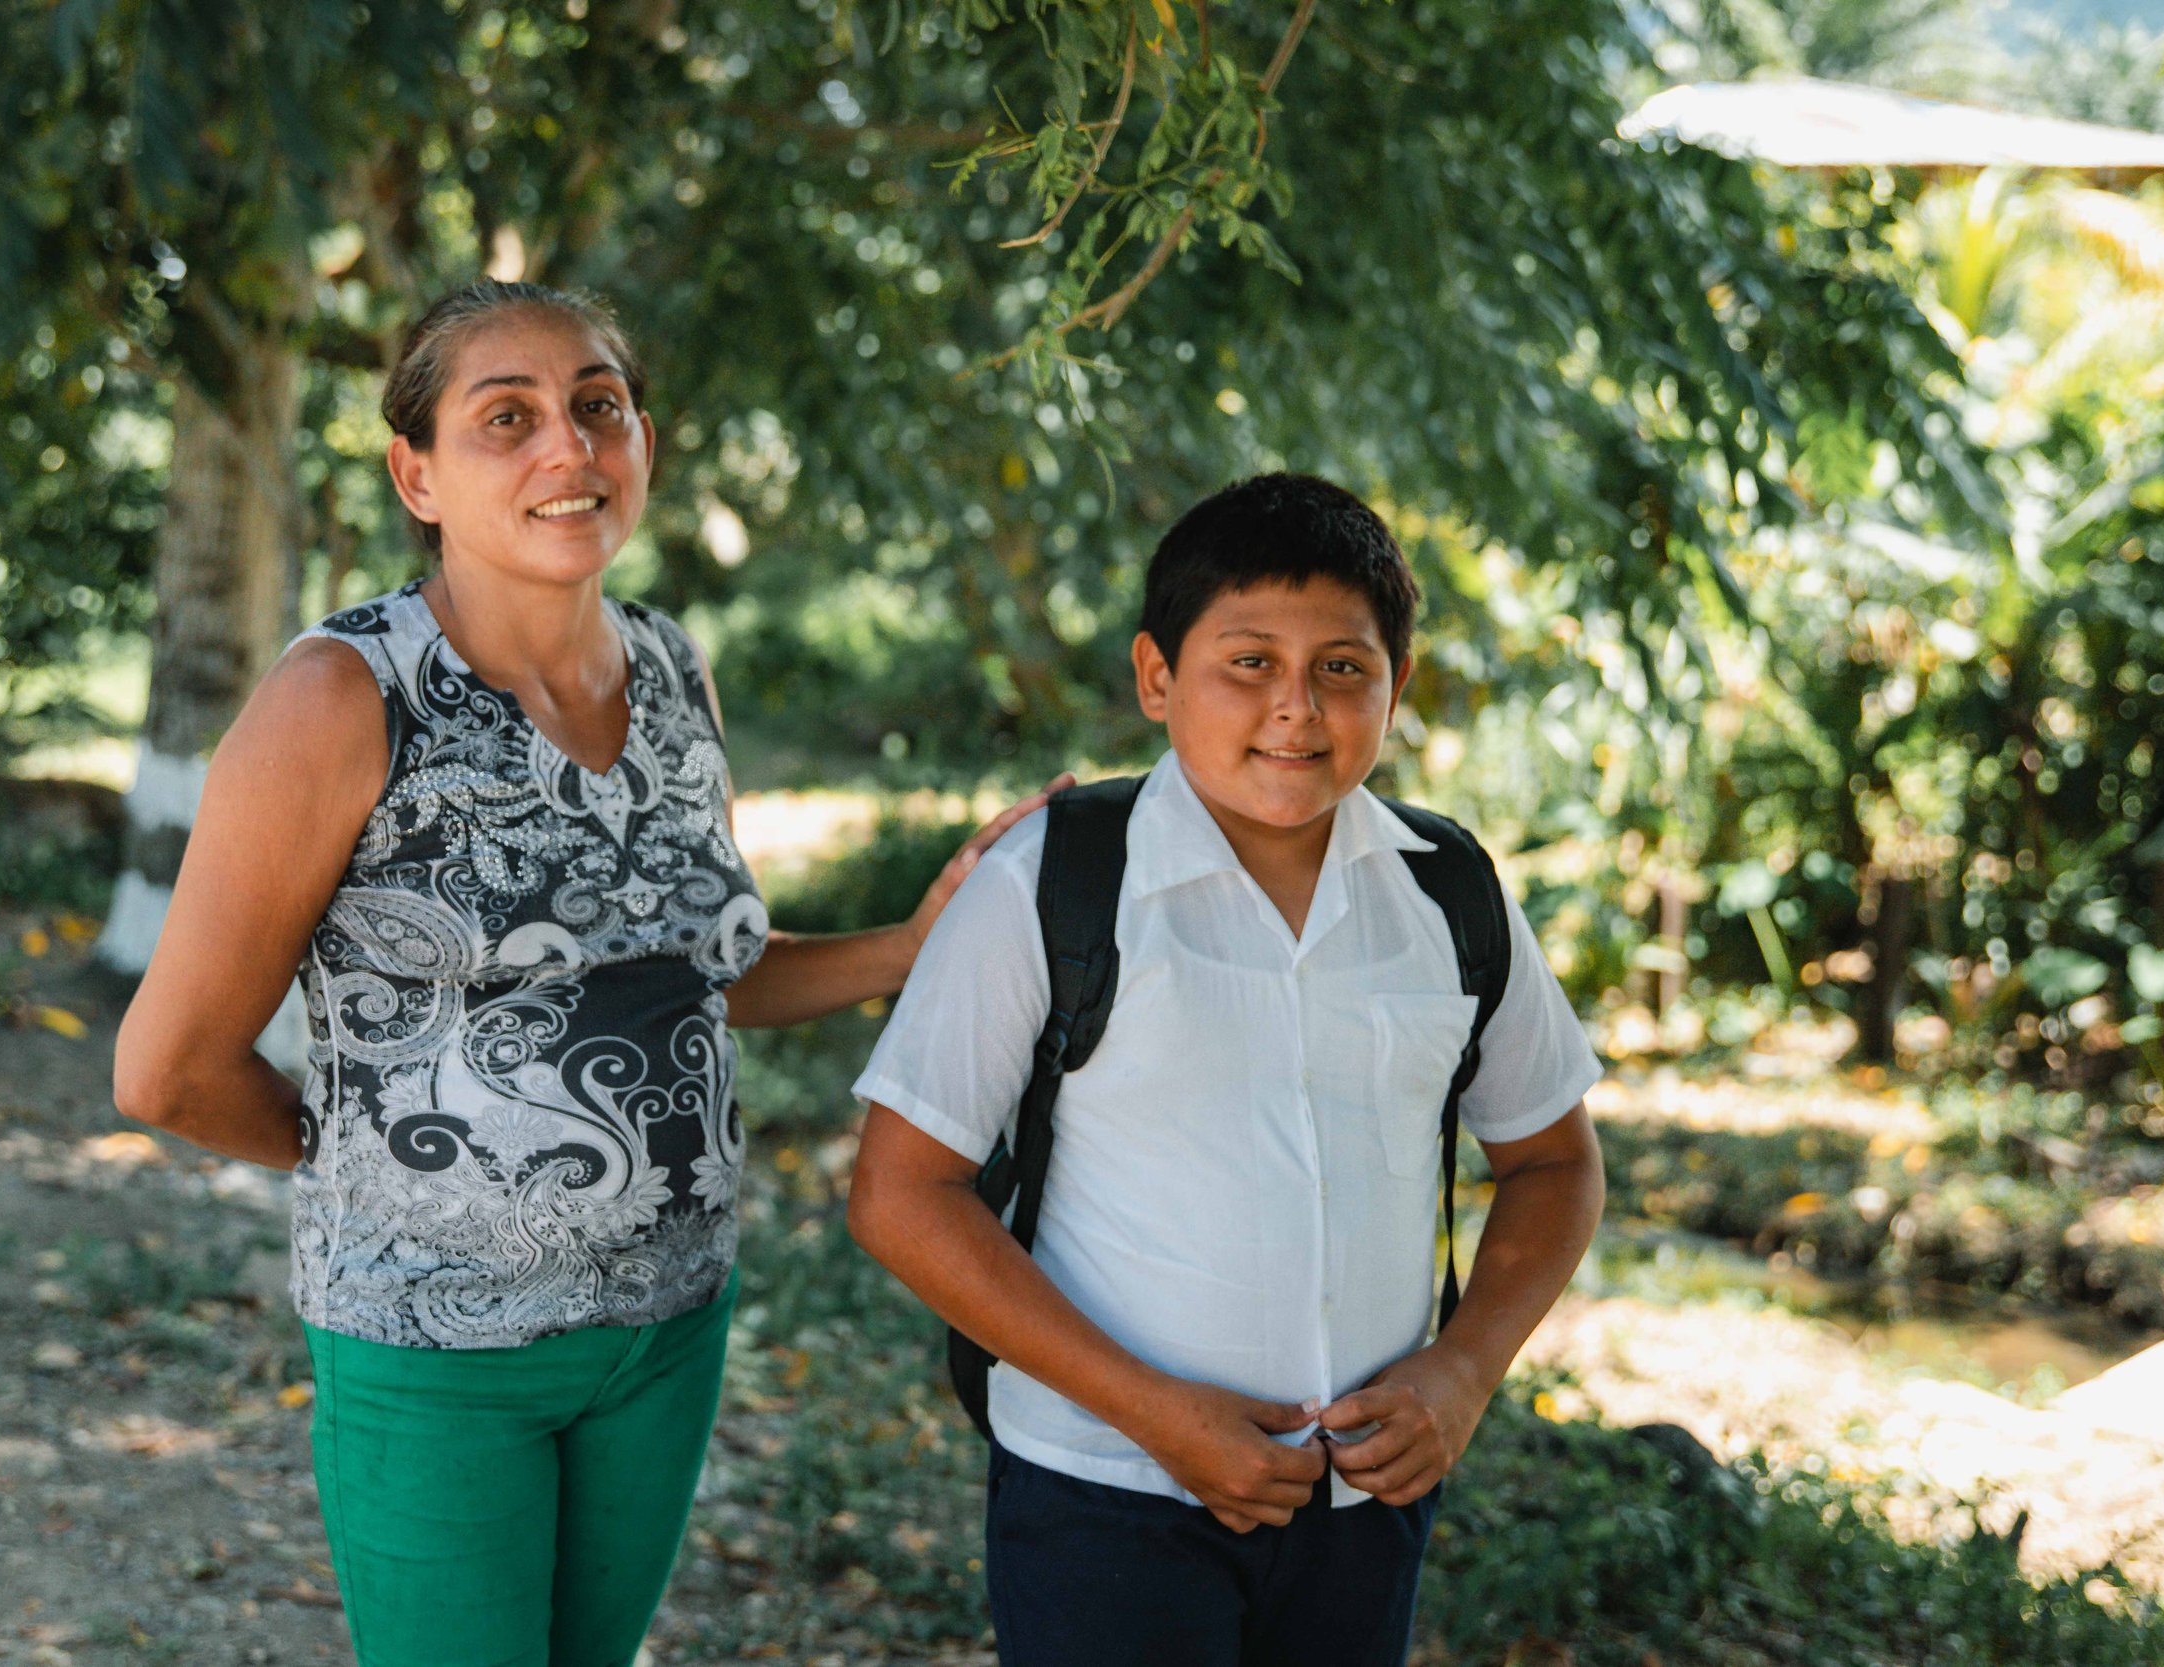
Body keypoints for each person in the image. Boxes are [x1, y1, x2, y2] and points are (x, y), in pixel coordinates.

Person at [111, 278, 1058, 1667]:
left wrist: (916, 946)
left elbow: (703, 972)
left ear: (645, 444)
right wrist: (372, 1163)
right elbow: (167, 1069)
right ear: (417, 473)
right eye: (509, 417)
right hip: (439, 1355)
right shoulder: (341, 698)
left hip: (667, 1327)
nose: (569, 445)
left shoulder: (674, 668)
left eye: (597, 406)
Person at [844, 472, 1608, 1667]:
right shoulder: (1051, 885)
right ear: (1158, 676)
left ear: (1396, 688)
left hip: (1364, 1504)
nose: (1296, 709)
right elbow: (898, 1192)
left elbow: (1555, 1157)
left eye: (1343, 668)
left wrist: (1463, 1370)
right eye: (1247, 661)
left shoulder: (1447, 893)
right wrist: (1155, 1413)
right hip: (1105, 1490)